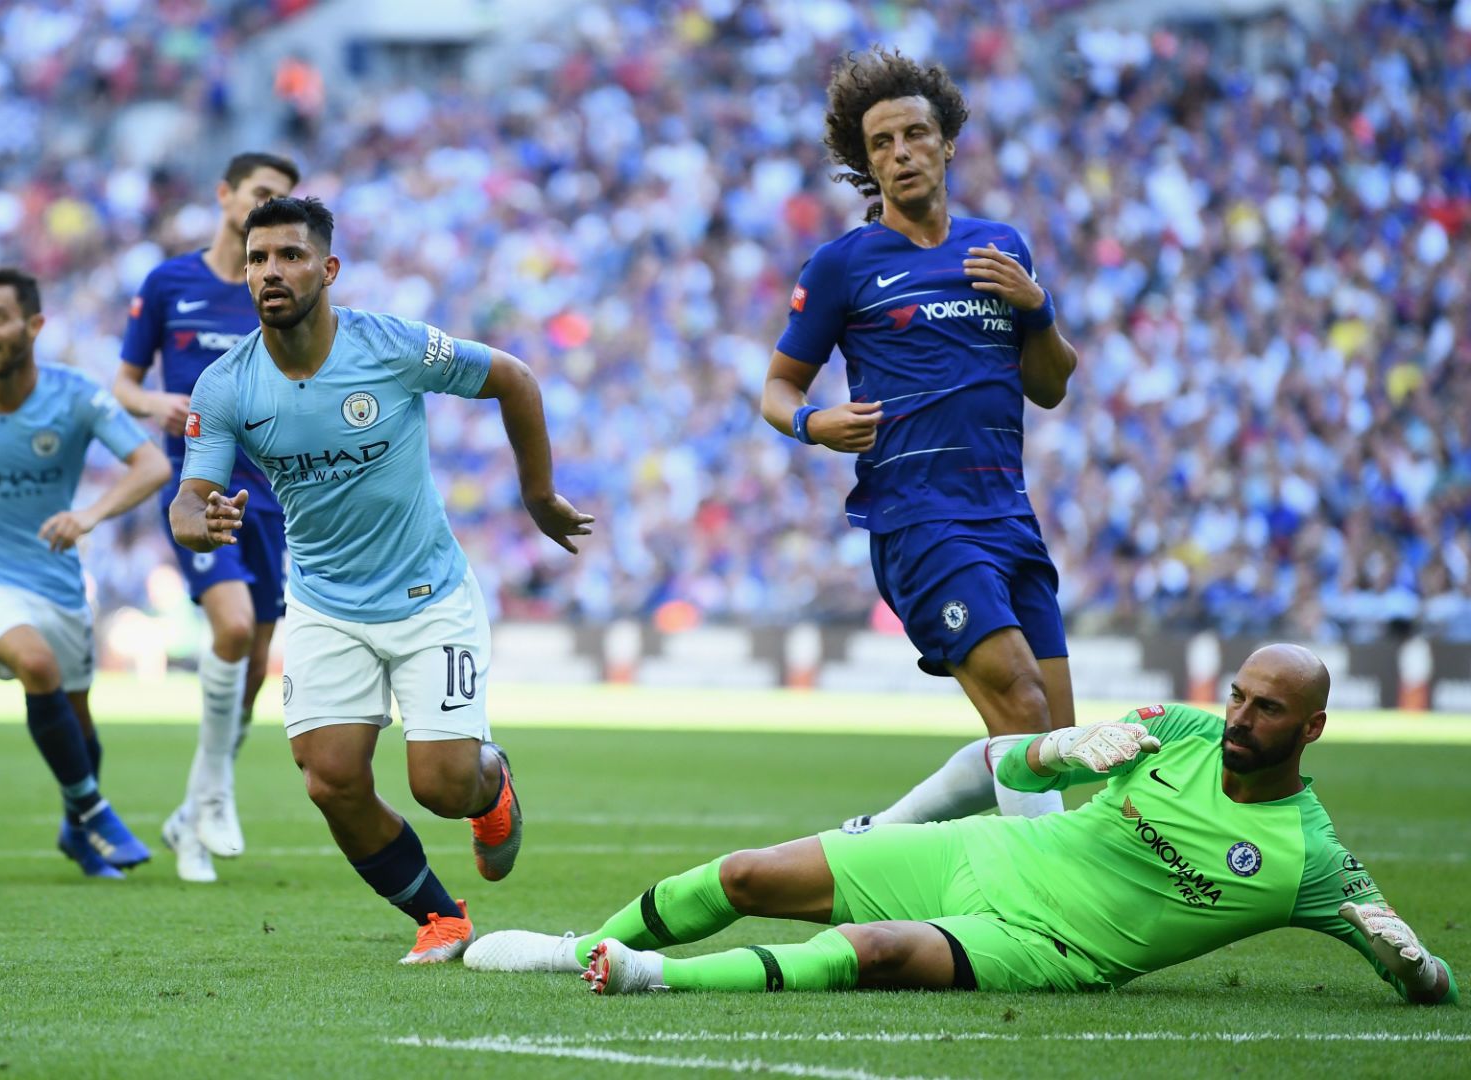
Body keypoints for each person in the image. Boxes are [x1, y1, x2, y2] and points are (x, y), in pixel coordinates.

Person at [465, 645, 1460, 1009]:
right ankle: (579, 945)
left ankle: (646, 976)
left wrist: (1417, 967)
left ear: (1313, 729)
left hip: (1047, 945)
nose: (1240, 720)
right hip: (991, 851)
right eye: (1239, 697)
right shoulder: (1182, 732)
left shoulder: (1313, 861)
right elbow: (1008, 763)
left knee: (872, 951)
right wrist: (1062, 750)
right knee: (749, 874)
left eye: (1266, 711)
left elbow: (1422, 976)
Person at [170, 196, 593, 963]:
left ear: (327, 269)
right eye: (257, 257)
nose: (271, 270)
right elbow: (190, 498)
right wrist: (197, 518)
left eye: (290, 256)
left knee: (440, 785)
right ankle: (441, 917)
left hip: (428, 597)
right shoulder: (226, 385)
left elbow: (516, 377)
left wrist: (536, 496)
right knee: (329, 780)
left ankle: (490, 783)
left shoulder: (390, 347)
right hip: (327, 605)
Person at [759, 46, 1082, 828]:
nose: (900, 153)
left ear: (947, 142)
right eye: (881, 144)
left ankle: (878, 838)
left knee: (1056, 740)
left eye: (914, 134)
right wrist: (811, 423)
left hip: (1007, 513)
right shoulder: (844, 265)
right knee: (1022, 705)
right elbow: (777, 387)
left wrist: (1036, 307)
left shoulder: (1000, 245)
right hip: (918, 517)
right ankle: (1054, 912)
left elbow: (1050, 386)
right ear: (865, 162)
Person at [0, 268, 172, 879]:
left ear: (34, 326)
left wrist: (88, 515)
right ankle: (94, 810)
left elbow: (151, 468)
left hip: (56, 581)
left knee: (82, 732)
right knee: (35, 666)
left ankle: (75, 829)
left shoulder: (76, 397)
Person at [113, 151, 300, 884]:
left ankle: (193, 813)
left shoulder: (278, 288)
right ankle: (213, 803)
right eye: (260, 195)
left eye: (283, 201)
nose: (268, 208)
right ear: (225, 195)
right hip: (200, 493)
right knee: (226, 630)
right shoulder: (169, 283)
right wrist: (155, 403)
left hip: (274, 497)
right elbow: (124, 383)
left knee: (253, 667)